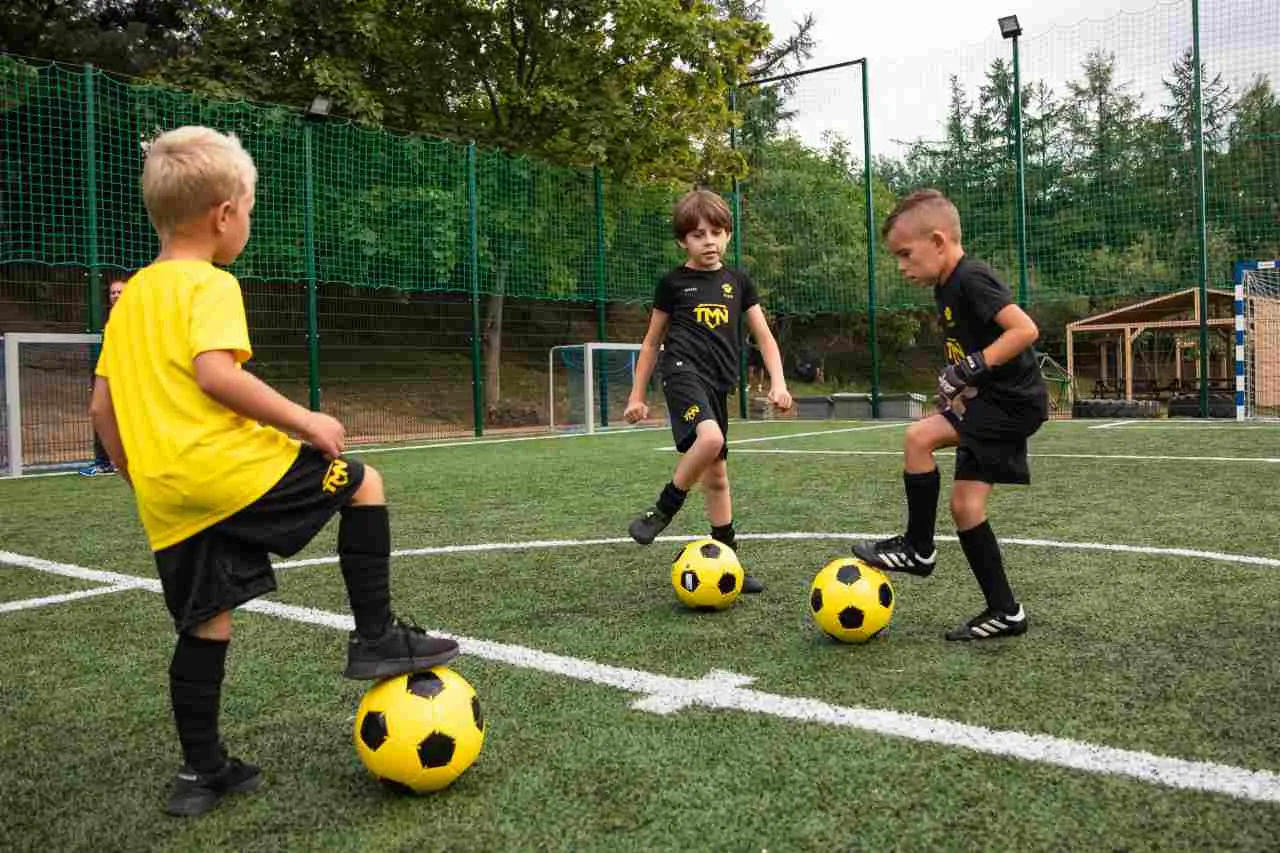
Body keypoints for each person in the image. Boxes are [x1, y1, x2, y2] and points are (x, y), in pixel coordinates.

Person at [89, 126, 459, 817]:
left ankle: (201, 772)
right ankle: (375, 635)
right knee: (363, 483)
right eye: (250, 212)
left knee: (205, 622)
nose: (248, 225)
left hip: (167, 494)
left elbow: (101, 406)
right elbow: (215, 373)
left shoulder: (130, 297)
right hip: (227, 468)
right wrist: (305, 420)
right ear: (224, 214)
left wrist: (138, 476)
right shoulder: (211, 283)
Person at [851, 189, 1048, 641]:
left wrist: (972, 367)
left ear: (938, 241)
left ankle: (918, 549)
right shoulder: (945, 287)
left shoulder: (971, 277)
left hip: (1012, 404)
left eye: (905, 254)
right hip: (994, 400)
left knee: (918, 438)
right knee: (966, 507)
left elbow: (1024, 330)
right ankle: (1006, 612)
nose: (901, 266)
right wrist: (959, 386)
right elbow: (971, 351)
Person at [623, 189, 793, 593]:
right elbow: (652, 342)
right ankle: (662, 510)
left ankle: (730, 563)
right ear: (683, 241)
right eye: (698, 235)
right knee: (711, 438)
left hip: (718, 383)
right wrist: (636, 395)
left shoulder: (739, 282)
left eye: (716, 233)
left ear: (728, 235)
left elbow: (764, 337)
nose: (709, 242)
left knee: (717, 477)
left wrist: (779, 383)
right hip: (681, 372)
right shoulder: (672, 283)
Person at [81, 277, 128, 476]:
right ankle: (106, 462)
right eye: (113, 292)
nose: (116, 295)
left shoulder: (133, 318)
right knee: (102, 413)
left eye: (120, 292)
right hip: (113, 375)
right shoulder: (112, 321)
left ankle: (111, 462)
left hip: (127, 378)